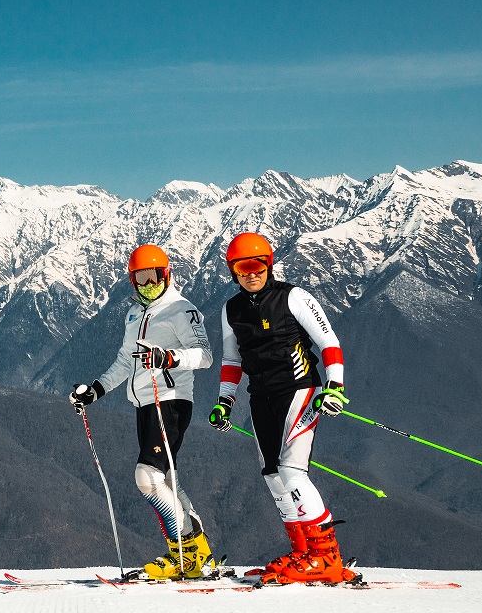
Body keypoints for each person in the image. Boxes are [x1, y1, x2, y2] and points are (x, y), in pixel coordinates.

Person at [207, 231, 356, 584]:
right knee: (273, 476)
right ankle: (303, 552)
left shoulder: (293, 298)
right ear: (233, 272)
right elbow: (231, 360)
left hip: (301, 390)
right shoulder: (231, 310)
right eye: (242, 269)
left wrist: (335, 387)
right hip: (260, 397)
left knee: (292, 471)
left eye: (257, 265)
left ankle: (325, 556)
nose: (251, 273)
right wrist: (225, 402)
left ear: (269, 265)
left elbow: (329, 342)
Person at [70, 245, 216, 580]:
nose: (147, 285)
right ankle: (198, 552)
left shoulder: (180, 309)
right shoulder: (135, 314)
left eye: (154, 277)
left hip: (172, 400)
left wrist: (169, 358)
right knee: (165, 479)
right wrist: (96, 390)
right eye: (140, 279)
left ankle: (184, 554)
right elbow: (125, 361)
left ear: (167, 275)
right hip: (145, 402)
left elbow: (204, 355)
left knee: (147, 477)